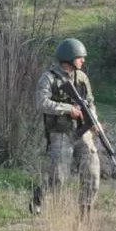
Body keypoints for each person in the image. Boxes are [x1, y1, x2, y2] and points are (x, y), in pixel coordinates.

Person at [31, 38, 101, 220]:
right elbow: (42, 103)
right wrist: (68, 109)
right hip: (61, 133)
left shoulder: (82, 78)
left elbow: (91, 103)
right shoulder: (49, 78)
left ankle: (84, 217)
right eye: (80, 57)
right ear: (69, 57)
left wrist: (94, 120)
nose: (83, 60)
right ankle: (39, 196)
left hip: (83, 132)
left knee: (92, 174)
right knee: (58, 178)